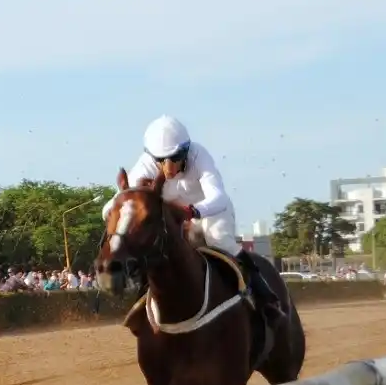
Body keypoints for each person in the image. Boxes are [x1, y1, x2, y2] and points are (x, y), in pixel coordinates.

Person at [105, 115, 284, 325]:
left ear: (187, 150)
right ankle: (141, 303)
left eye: (176, 157)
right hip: (175, 218)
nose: (169, 166)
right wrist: (113, 213)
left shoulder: (200, 157)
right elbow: (117, 205)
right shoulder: (144, 166)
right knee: (154, 246)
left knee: (219, 240)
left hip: (210, 211)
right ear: (152, 156)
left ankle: (264, 298)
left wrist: (192, 212)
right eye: (161, 160)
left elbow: (218, 197)